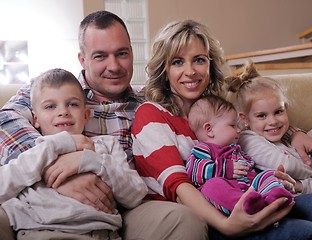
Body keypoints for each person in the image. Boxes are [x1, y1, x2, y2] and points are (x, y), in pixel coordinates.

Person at [131, 18, 312, 239]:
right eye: (178, 62)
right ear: (164, 69)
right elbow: (178, 186)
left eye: (198, 60)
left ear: (210, 65)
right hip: (217, 215)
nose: (190, 71)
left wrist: (294, 133)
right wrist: (229, 225)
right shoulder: (152, 114)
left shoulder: (218, 106)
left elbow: (260, 124)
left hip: (254, 194)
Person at [0, 11, 208, 240]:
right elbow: (6, 121)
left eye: (122, 54)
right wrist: (55, 165)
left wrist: (89, 163)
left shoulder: (150, 102)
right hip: (47, 208)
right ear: (83, 59)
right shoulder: (54, 90)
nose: (114, 66)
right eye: (100, 56)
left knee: (184, 220)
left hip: (122, 209)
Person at [0, 68, 148, 239]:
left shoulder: (105, 145)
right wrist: (57, 145)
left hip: (101, 233)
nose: (63, 112)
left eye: (73, 104)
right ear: (36, 120)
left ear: (86, 115)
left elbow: (135, 194)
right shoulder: (34, 150)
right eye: (50, 106)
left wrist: (94, 162)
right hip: (41, 232)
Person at [227, 60, 312, 239]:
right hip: (287, 203)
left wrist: (300, 185)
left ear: (286, 108)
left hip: (306, 193)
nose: (273, 121)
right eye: (261, 116)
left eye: (278, 112)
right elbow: (284, 165)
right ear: (245, 119)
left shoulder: (295, 143)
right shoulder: (248, 138)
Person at [186, 95, 293, 215]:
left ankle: (274, 197)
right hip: (227, 199)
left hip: (249, 189)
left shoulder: (237, 150)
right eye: (232, 125)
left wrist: (271, 179)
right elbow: (195, 171)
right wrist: (227, 169)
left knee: (267, 174)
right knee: (211, 187)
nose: (238, 130)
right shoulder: (202, 149)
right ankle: (248, 206)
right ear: (209, 129)